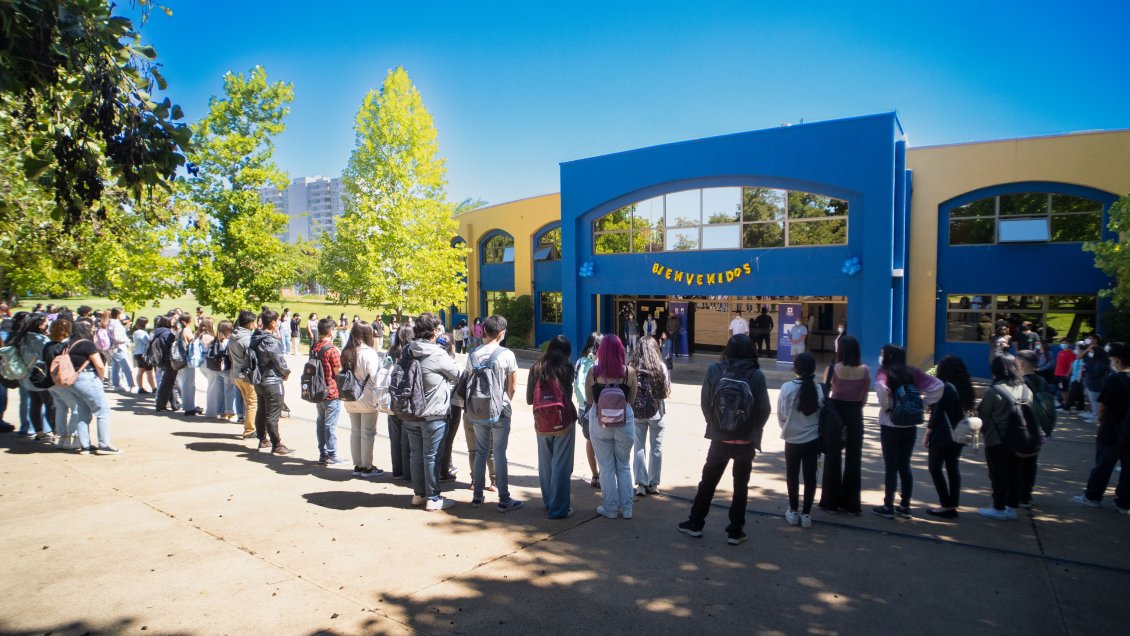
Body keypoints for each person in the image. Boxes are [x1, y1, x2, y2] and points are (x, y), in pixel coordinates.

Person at [678, 335, 770, 545]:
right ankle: (735, 531)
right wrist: (753, 430)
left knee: (708, 482)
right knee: (741, 486)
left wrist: (716, 424)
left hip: (719, 440)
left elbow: (705, 401)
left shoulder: (714, 370)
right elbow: (764, 409)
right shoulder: (757, 375)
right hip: (746, 441)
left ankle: (696, 523)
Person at [872, 343, 943, 519]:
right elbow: (938, 386)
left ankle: (888, 505)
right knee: (905, 465)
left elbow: (881, 389)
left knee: (891, 466)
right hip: (909, 425)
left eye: (883, 353)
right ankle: (905, 505)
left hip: (890, 425)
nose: (881, 356)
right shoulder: (913, 372)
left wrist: (888, 407)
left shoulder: (884, 372)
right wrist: (923, 404)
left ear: (888, 356)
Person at [407, 312, 464, 511]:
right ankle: (433, 497)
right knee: (431, 456)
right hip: (433, 413)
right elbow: (458, 375)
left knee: (416, 455)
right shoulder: (437, 353)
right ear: (433, 331)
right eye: (438, 328)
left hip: (410, 411)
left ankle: (419, 494)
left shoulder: (408, 349)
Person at [466, 314, 522, 512]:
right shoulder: (506, 354)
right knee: (499, 454)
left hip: (478, 409)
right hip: (500, 410)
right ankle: (504, 498)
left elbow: (467, 381)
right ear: (501, 334)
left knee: (481, 451)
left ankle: (477, 496)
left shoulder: (472, 354)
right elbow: (512, 386)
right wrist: (504, 401)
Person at [1072, 342, 1130, 514]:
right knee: (1128, 469)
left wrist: (1100, 421)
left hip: (1112, 430)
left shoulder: (1115, 379)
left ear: (1118, 360)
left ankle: (1093, 496)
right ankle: (1124, 503)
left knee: (1103, 465)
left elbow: (1102, 407)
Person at [586, 333, 636, 519]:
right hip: (624, 420)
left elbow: (590, 399)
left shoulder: (594, 372)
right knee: (623, 465)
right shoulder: (629, 372)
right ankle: (627, 508)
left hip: (600, 421)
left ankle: (610, 508)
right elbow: (631, 399)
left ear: (601, 351)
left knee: (606, 466)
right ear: (621, 350)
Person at [818, 335, 870, 515]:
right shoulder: (865, 371)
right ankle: (851, 505)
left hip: (835, 416)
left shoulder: (832, 369)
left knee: (833, 458)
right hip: (856, 415)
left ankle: (830, 503)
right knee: (854, 460)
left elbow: (826, 394)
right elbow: (864, 400)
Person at [526, 334, 576, 519]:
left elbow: (530, 398)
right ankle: (559, 508)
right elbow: (568, 396)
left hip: (541, 422)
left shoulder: (536, 368)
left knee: (545, 463)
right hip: (564, 421)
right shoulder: (567, 367)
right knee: (561, 465)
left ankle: (549, 503)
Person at [976, 354, 1031, 520]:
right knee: (1016, 472)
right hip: (1020, 439)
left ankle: (998, 507)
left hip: (996, 440)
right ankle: (1011, 507)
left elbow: (983, 415)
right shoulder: (1025, 389)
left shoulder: (994, 391)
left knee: (998, 474)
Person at [924, 356, 974, 518]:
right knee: (953, 468)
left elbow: (937, 415)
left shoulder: (945, 388)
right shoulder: (964, 388)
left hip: (942, 435)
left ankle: (946, 505)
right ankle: (952, 504)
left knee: (935, 467)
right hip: (958, 433)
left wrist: (927, 435)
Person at [778, 352, 823, 528]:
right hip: (812, 440)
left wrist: (787, 427)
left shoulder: (787, 387)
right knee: (810, 476)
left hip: (792, 440)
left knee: (792, 475)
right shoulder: (817, 388)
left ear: (795, 368)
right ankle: (807, 514)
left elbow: (781, 415)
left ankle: (794, 510)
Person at [68, 319, 120, 454]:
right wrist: (101, 378)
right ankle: (104, 444)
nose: (93, 330)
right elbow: (99, 365)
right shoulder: (87, 344)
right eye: (92, 328)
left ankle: (84, 445)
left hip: (74, 380)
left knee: (83, 413)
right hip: (88, 378)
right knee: (103, 411)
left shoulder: (70, 343)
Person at [630, 335, 670, 496]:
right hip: (657, 412)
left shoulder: (632, 367)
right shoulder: (660, 366)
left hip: (637, 413)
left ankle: (641, 484)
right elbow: (666, 391)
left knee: (639, 447)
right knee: (656, 448)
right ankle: (654, 483)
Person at [250, 309, 293, 455]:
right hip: (272, 380)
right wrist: (286, 372)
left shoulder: (255, 338)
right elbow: (278, 360)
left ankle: (262, 439)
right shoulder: (269, 340)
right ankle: (276, 443)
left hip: (259, 379)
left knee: (262, 410)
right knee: (273, 413)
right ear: (273, 322)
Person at [311, 317, 345, 466]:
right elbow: (338, 371)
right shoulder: (331, 350)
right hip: (331, 391)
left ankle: (323, 453)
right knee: (330, 425)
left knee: (321, 422)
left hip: (318, 390)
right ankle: (332, 453)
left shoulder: (315, 347)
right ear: (331, 331)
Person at [43, 318, 80, 450]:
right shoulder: (64, 346)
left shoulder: (47, 345)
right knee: (76, 408)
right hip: (61, 382)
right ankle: (71, 436)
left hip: (50, 382)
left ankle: (61, 436)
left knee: (61, 409)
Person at [385, 325, 414, 480]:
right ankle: (408, 472)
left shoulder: (391, 351)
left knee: (394, 438)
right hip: (407, 399)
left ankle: (397, 470)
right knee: (407, 438)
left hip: (392, 398)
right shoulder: (411, 352)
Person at [574, 333, 602, 487]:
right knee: (603, 441)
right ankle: (604, 474)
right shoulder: (599, 363)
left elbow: (576, 383)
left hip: (583, 407)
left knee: (590, 440)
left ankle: (595, 475)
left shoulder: (579, 362)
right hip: (597, 407)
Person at [228, 310, 259, 439]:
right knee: (252, 401)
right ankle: (250, 430)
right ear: (250, 324)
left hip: (236, 372)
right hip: (246, 374)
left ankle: (249, 426)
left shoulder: (233, 336)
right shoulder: (247, 339)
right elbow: (253, 357)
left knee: (247, 400)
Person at [176, 316, 203, 416]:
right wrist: (198, 335)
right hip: (188, 359)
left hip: (182, 359)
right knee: (189, 383)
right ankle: (189, 406)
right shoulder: (186, 330)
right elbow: (192, 341)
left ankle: (187, 405)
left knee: (186, 382)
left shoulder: (179, 330)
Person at [198, 317, 225, 418]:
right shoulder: (209, 337)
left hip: (203, 363)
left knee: (212, 386)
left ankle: (212, 410)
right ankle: (211, 411)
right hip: (210, 364)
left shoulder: (199, 335)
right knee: (213, 387)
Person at [152, 316, 179, 413]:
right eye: (172, 320)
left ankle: (173, 404)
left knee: (168, 383)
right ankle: (161, 406)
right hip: (168, 360)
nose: (174, 321)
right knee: (167, 383)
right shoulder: (167, 334)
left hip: (162, 360)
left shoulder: (159, 332)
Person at [213, 320, 238, 421]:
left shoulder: (217, 339)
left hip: (218, 367)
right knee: (229, 391)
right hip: (227, 368)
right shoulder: (228, 340)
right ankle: (229, 410)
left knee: (220, 391)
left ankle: (220, 411)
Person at [107, 308, 135, 392]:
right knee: (126, 367)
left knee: (116, 367)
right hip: (119, 347)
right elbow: (117, 337)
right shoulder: (115, 323)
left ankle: (116, 384)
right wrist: (125, 340)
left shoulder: (111, 322)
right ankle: (131, 385)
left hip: (113, 348)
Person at [132, 317, 156, 394]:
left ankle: (140, 387)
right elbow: (147, 342)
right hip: (143, 354)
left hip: (138, 353)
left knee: (140, 371)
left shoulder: (137, 332)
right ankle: (154, 388)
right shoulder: (141, 333)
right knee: (149, 372)